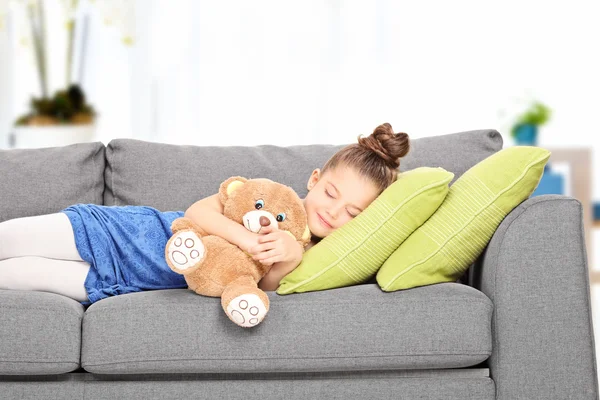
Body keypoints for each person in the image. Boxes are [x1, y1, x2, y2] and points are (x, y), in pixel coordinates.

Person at [0, 123, 410, 304]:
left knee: (15, 274)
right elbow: (199, 210)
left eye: (353, 212)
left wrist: (287, 258)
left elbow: (260, 286)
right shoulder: (266, 197)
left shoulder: (317, 256)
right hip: (127, 233)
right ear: (314, 178)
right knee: (9, 239)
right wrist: (249, 239)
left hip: (126, 283)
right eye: (331, 193)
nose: (334, 212)